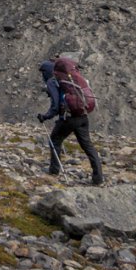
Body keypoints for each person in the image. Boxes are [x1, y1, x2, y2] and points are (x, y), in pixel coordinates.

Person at [37, 57, 103, 185]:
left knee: (55, 140)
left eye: (43, 72)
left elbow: (55, 106)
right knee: (87, 146)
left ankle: (54, 171)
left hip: (69, 118)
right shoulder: (69, 79)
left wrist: (45, 117)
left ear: (47, 71)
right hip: (82, 115)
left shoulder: (52, 81)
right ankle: (98, 178)